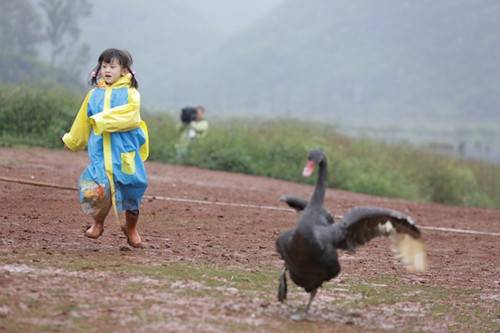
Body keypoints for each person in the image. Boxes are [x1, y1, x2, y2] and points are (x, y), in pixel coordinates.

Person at [62, 48, 149, 248]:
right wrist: (72, 141)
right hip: (100, 151)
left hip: (124, 152)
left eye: (113, 66)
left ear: (124, 70)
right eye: (104, 66)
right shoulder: (93, 95)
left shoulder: (131, 94)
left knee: (132, 188)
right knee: (97, 188)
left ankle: (131, 228)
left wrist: (100, 120)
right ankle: (98, 223)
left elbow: (130, 116)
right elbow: (83, 120)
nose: (107, 70)